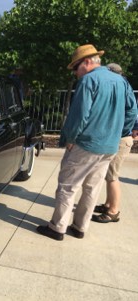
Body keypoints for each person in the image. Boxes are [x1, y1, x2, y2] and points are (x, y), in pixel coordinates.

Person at [37, 44, 138, 241]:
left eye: (75, 67)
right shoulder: (121, 81)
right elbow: (132, 112)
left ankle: (57, 228)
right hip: (110, 145)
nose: (75, 73)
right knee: (93, 187)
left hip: (86, 143)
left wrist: (70, 139)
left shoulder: (88, 80)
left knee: (68, 186)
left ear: (87, 62)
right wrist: (119, 132)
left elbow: (79, 116)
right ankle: (79, 227)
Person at [92, 63, 138, 223]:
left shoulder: (122, 86)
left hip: (121, 139)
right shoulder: (123, 85)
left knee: (112, 176)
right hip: (121, 137)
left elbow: (132, 112)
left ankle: (113, 211)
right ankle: (108, 204)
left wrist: (120, 130)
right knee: (108, 174)